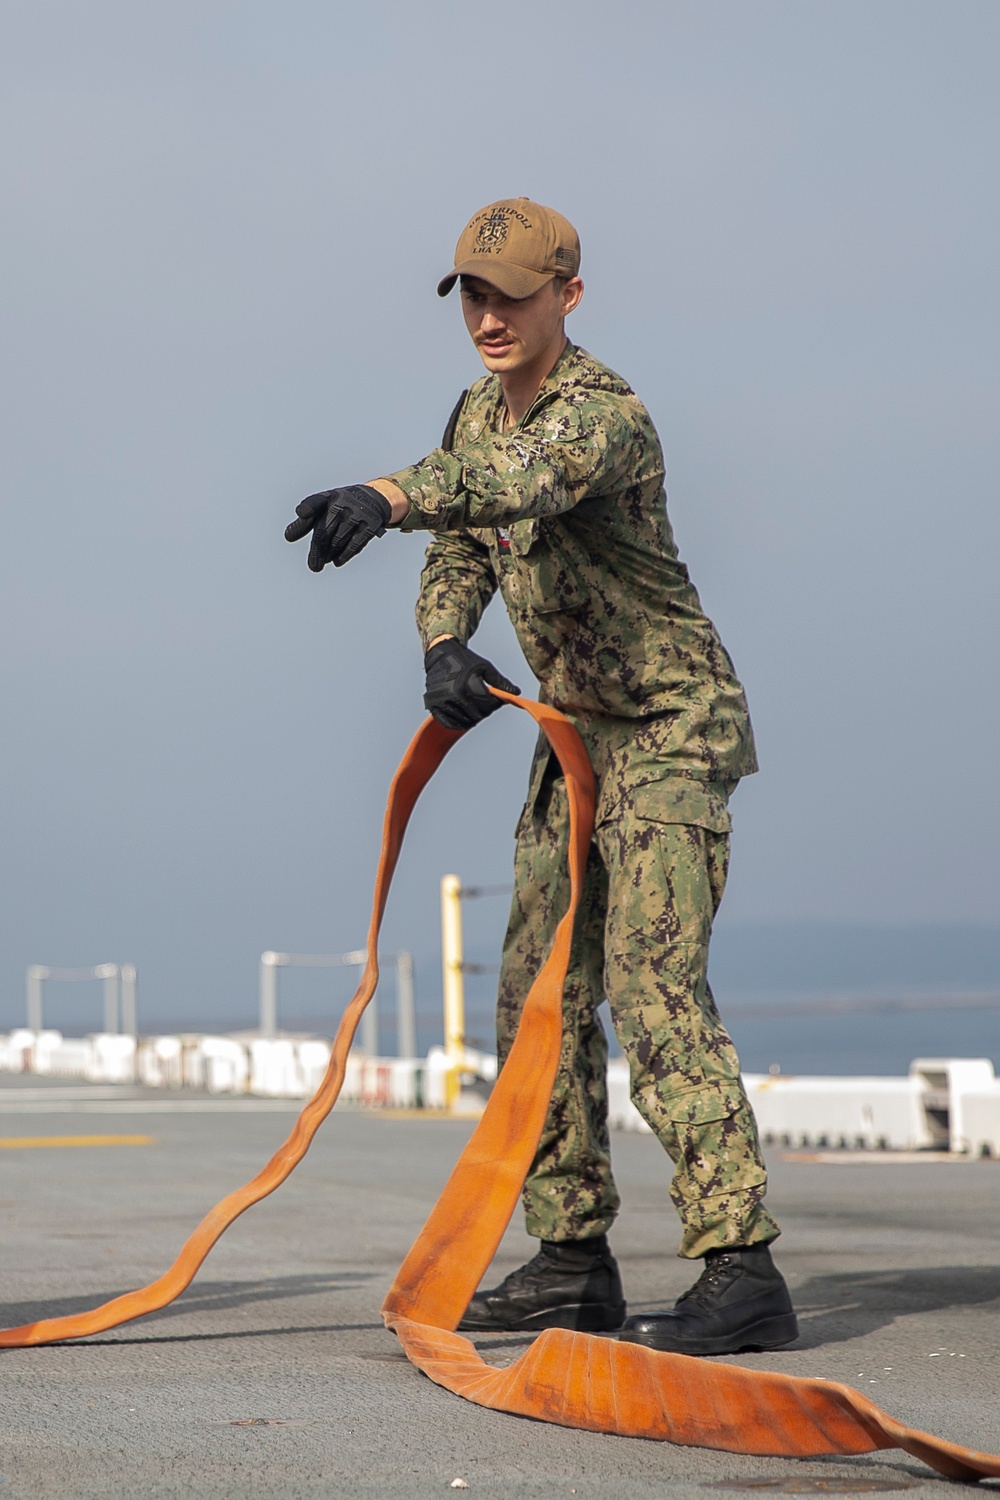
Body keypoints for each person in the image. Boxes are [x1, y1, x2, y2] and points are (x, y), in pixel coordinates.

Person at [285, 198, 798, 1357]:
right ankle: (570, 1259)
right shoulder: (474, 407)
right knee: (538, 996)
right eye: (471, 294)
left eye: (509, 295)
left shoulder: (603, 416)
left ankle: (740, 1266)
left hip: (667, 726)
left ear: (566, 295)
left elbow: (514, 484)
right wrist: (441, 647)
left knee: (651, 982)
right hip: (569, 731)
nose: (486, 317)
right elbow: (465, 546)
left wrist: (390, 492)